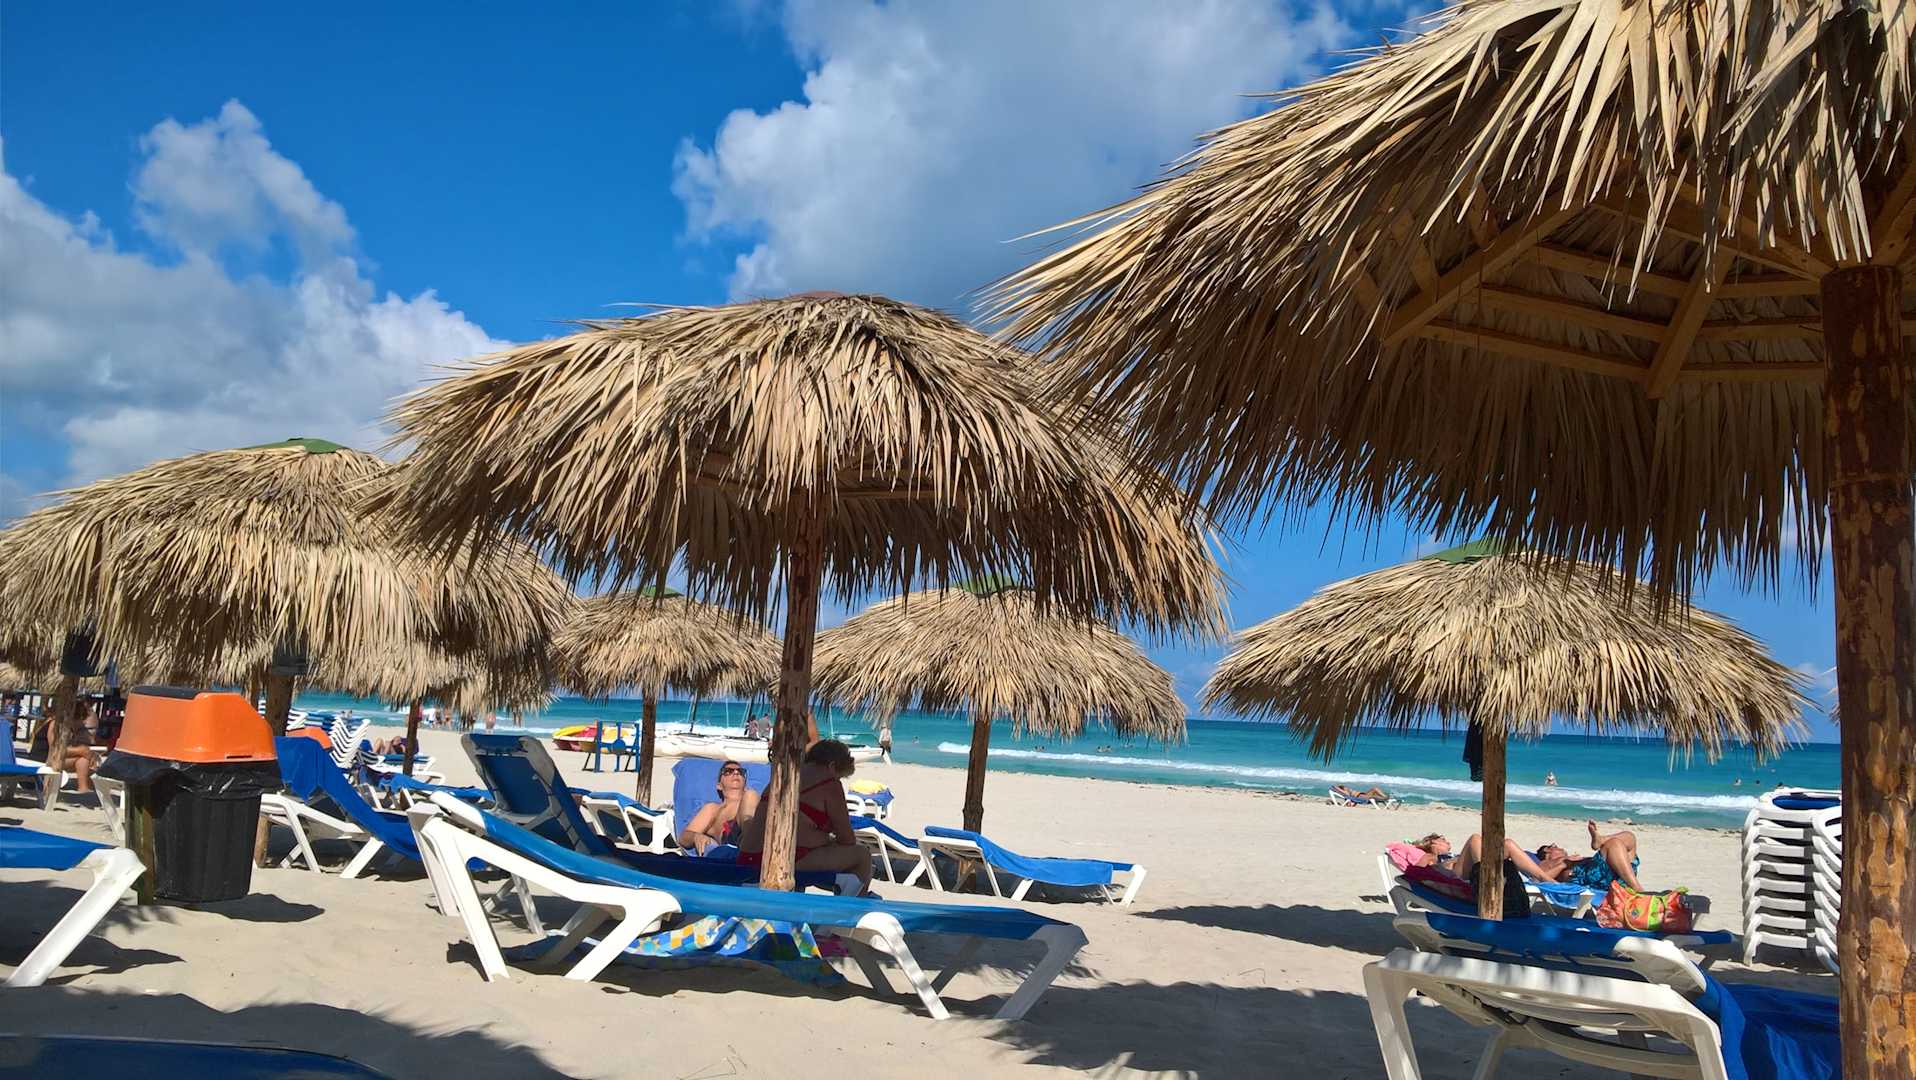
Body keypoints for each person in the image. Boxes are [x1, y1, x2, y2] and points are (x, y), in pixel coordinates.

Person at [737, 739, 872, 893]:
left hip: (749, 857)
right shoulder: (828, 783)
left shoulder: (785, 777)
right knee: (862, 856)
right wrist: (826, 839)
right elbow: (847, 838)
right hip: (781, 862)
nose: (838, 779)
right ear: (832, 766)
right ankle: (852, 904)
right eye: (839, 775)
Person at [677, 760, 759, 855]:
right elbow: (684, 837)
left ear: (745, 785)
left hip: (757, 837)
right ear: (719, 786)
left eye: (741, 772)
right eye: (728, 771)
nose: (736, 773)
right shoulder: (713, 809)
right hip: (734, 844)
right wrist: (696, 837)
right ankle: (750, 845)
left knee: (751, 795)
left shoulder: (754, 798)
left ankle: (750, 841)